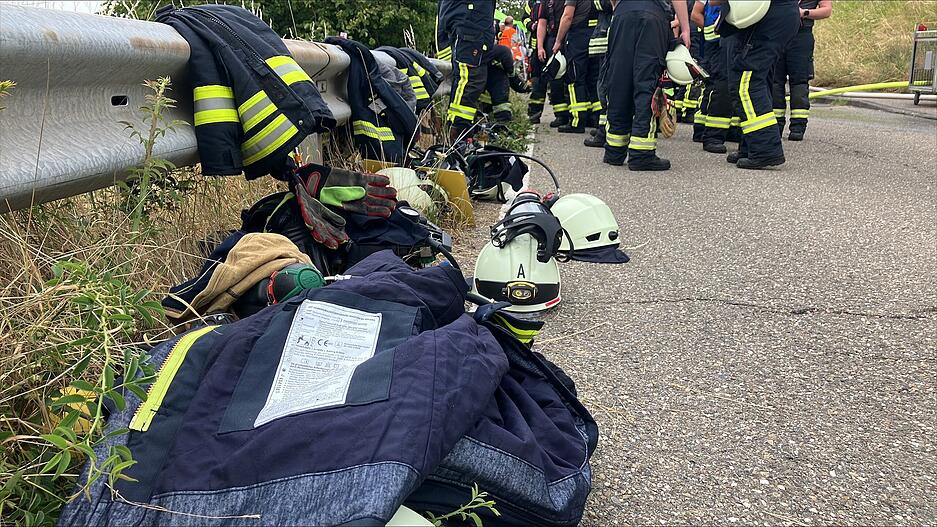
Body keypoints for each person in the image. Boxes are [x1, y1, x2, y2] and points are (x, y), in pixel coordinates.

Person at [603, 0, 690, 171]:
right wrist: (685, 29)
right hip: (652, 16)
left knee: (619, 81)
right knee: (647, 84)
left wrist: (619, 9)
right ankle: (641, 154)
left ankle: (614, 150)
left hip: (622, 15)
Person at [721, 0, 801, 169]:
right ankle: (751, 146)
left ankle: (765, 151)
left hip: (767, 20)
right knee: (759, 82)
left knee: (746, 85)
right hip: (779, 17)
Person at [436, 0, 496, 142]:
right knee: (470, 83)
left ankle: (459, 133)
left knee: (466, 84)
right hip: (471, 26)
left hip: (470, 26)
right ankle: (458, 135)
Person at [772, 0, 832, 141]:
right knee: (774, 82)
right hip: (776, 35)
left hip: (801, 36)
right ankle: (775, 126)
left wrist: (804, 13)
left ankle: (798, 127)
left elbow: (826, 10)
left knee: (799, 82)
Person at [550, 0, 594, 133]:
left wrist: (558, 41)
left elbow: (567, 16)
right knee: (593, 80)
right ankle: (598, 120)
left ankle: (577, 121)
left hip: (578, 36)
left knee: (575, 79)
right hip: (596, 36)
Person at [692, 0, 730, 154]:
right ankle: (710, 134)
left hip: (731, 39)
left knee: (728, 86)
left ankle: (730, 131)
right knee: (719, 86)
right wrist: (714, 31)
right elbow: (695, 14)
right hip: (716, 44)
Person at [529, 0, 571, 126]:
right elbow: (542, 24)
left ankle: (563, 115)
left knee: (561, 80)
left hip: (568, 38)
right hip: (550, 40)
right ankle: (535, 113)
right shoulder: (544, 3)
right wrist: (540, 47)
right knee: (541, 78)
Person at [584, 0, 613, 148]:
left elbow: (604, 5)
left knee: (604, 87)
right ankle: (604, 128)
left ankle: (605, 131)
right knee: (603, 85)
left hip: (608, 38)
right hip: (607, 37)